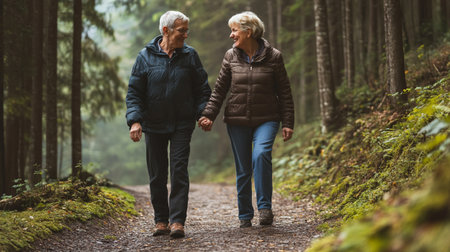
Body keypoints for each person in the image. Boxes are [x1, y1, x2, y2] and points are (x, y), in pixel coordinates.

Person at [199, 11, 294, 228]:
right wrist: (208, 115)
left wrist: (288, 122)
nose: (231, 35)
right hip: (237, 119)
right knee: (243, 169)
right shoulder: (230, 56)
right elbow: (219, 90)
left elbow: (285, 93)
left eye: (234, 30)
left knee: (261, 154)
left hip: (267, 118)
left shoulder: (274, 56)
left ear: (248, 32)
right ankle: (244, 215)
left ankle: (264, 208)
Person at [126, 10, 211, 238]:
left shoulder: (190, 56)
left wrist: (203, 113)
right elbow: (134, 93)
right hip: (153, 124)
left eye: (186, 31)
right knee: (157, 175)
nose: (185, 35)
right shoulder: (144, 57)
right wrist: (135, 120)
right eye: (182, 31)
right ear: (166, 30)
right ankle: (161, 220)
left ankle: (177, 221)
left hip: (182, 123)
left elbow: (202, 89)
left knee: (179, 170)